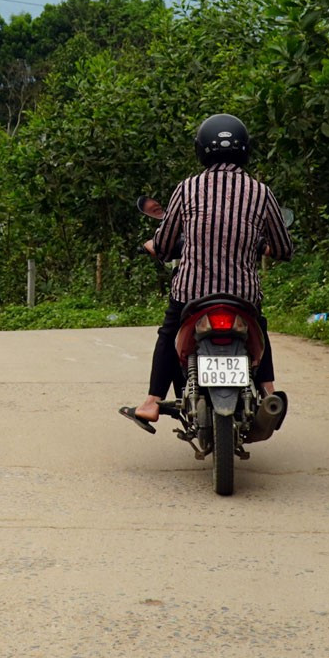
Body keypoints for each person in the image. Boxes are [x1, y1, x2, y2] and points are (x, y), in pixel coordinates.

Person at [120, 113, 293, 432]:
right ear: (245, 150)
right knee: (260, 326)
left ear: (201, 150)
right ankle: (268, 393)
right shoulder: (260, 192)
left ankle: (151, 401)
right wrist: (261, 247)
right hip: (242, 295)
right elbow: (283, 248)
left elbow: (167, 243)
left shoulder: (187, 189)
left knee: (169, 332)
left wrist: (155, 246)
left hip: (192, 295)